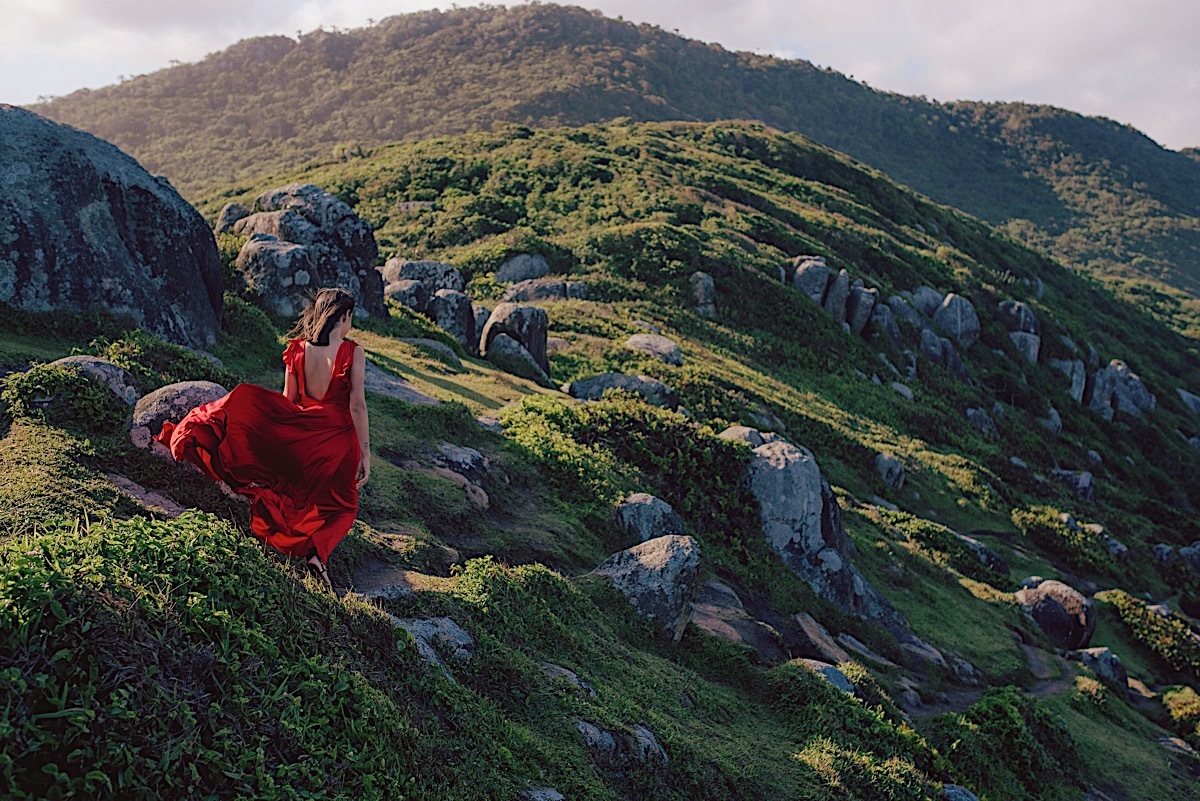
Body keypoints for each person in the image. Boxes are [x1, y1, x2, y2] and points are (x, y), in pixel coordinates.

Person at [156, 287, 370, 591]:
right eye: (351, 318)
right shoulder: (353, 352)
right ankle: (317, 555)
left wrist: (287, 436)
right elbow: (357, 406)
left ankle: (302, 547)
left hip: (304, 437)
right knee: (343, 506)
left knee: (299, 494)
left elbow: (288, 401)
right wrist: (366, 454)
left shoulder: (297, 350)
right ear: (345, 317)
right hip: (338, 441)